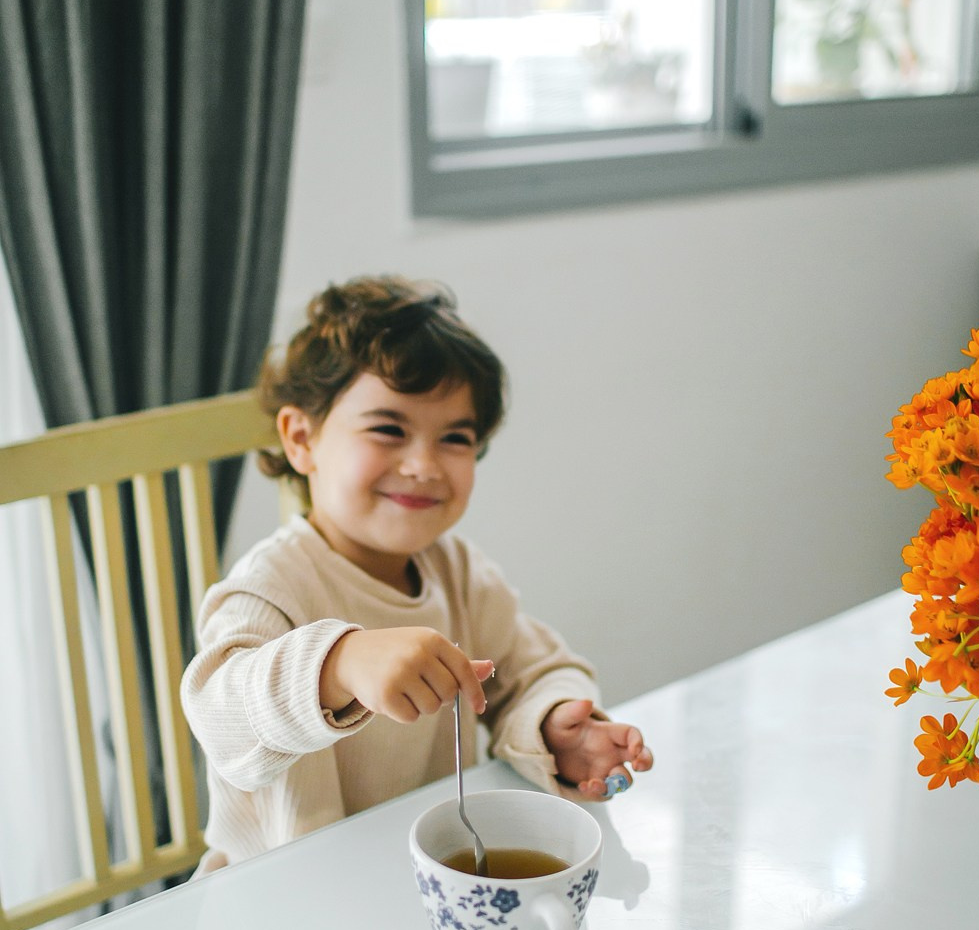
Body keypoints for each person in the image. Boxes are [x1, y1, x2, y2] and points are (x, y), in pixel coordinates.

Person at [181, 276, 653, 873]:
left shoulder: (456, 572)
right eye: (388, 429)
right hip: (281, 897)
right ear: (302, 439)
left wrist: (555, 725)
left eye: (455, 438)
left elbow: (534, 669)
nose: (424, 465)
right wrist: (337, 664)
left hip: (420, 875)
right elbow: (220, 714)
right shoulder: (271, 585)